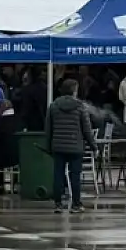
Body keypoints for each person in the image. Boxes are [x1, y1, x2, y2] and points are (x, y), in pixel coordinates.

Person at [43, 80, 94, 212]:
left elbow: (48, 129)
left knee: (58, 175)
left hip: (58, 147)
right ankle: (76, 204)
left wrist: (48, 146)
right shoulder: (81, 107)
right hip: (75, 147)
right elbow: (87, 130)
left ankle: (58, 204)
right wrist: (94, 146)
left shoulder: (53, 106)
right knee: (75, 176)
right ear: (74, 91)